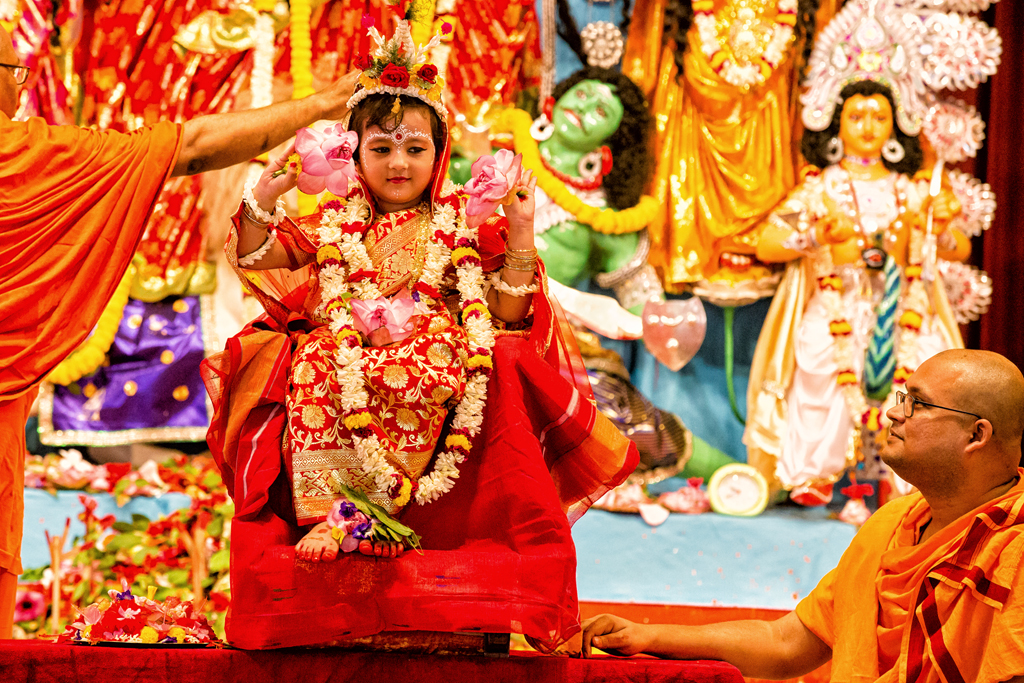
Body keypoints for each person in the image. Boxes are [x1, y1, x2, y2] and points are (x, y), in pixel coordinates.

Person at [200, 17, 637, 648]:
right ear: (353, 155)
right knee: (317, 358)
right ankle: (330, 514)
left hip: (436, 356)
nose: (398, 163)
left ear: (440, 154)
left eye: (414, 148)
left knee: (428, 357)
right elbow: (263, 255)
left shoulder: (460, 225)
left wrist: (517, 234)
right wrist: (264, 197)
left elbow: (509, 319)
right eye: (380, 149)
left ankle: (367, 516)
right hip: (342, 355)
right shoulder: (336, 222)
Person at [0, 22, 358, 637]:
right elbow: (188, 145)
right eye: (16, 76)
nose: (22, 91)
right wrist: (325, 105)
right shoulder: (26, 155)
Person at [583, 348, 1024, 682]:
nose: (893, 412)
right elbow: (787, 643)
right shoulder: (891, 525)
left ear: (976, 434)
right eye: (901, 397)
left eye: (917, 404)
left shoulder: (1014, 548)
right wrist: (645, 637)